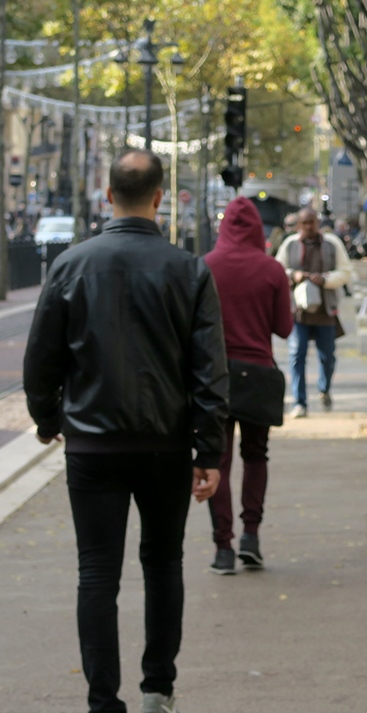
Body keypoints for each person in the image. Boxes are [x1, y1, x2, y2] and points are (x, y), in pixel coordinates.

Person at [23, 149, 227, 713]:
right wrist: (208, 448)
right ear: (160, 198)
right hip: (165, 443)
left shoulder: (70, 265)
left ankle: (101, 701)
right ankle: (157, 688)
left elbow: (40, 360)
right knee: (163, 563)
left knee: (97, 572)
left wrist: (48, 420)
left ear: (107, 197)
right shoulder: (188, 270)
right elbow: (210, 370)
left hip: (91, 445)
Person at [204, 197, 293, 575]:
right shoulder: (272, 269)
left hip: (216, 377)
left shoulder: (205, 267)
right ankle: (251, 536)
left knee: (217, 460)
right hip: (257, 375)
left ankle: (223, 547)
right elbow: (284, 328)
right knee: (256, 456)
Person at [275, 208, 353, 418]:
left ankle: (324, 388)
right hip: (298, 312)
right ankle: (300, 402)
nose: (309, 227)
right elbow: (278, 269)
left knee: (327, 357)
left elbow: (346, 272)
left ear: (317, 223)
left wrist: (326, 279)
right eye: (305, 223)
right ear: (299, 225)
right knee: (296, 355)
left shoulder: (332, 244)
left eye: (312, 222)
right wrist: (294, 275)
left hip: (325, 311)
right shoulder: (290, 244)